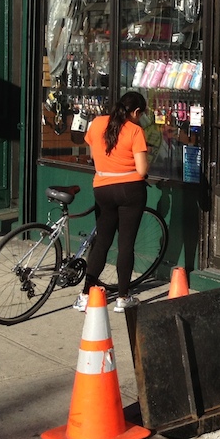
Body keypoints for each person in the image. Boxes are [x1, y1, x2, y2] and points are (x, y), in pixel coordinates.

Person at [73, 91, 149, 313]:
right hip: (130, 191)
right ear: (135, 112)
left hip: (102, 187)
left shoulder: (97, 123)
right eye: (140, 114)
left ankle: (86, 293)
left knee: (102, 241)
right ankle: (123, 297)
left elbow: (94, 153)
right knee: (126, 244)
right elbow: (142, 170)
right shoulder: (135, 131)